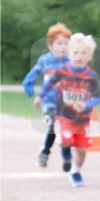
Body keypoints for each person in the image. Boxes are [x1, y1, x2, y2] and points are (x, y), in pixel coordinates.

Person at [40, 33, 100, 187]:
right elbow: (49, 84)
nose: (79, 56)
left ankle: (76, 171)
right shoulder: (62, 71)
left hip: (82, 119)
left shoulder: (92, 76)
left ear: (90, 56)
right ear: (69, 54)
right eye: (76, 52)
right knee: (65, 138)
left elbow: (97, 98)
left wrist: (86, 105)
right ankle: (67, 158)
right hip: (64, 114)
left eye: (83, 53)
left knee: (81, 149)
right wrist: (41, 96)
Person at [23, 23, 71, 170]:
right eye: (59, 43)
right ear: (50, 45)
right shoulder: (45, 61)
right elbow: (31, 76)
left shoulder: (71, 61)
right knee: (52, 127)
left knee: (66, 131)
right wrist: (30, 91)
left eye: (66, 44)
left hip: (67, 103)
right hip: (49, 102)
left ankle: (67, 158)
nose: (63, 47)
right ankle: (44, 153)